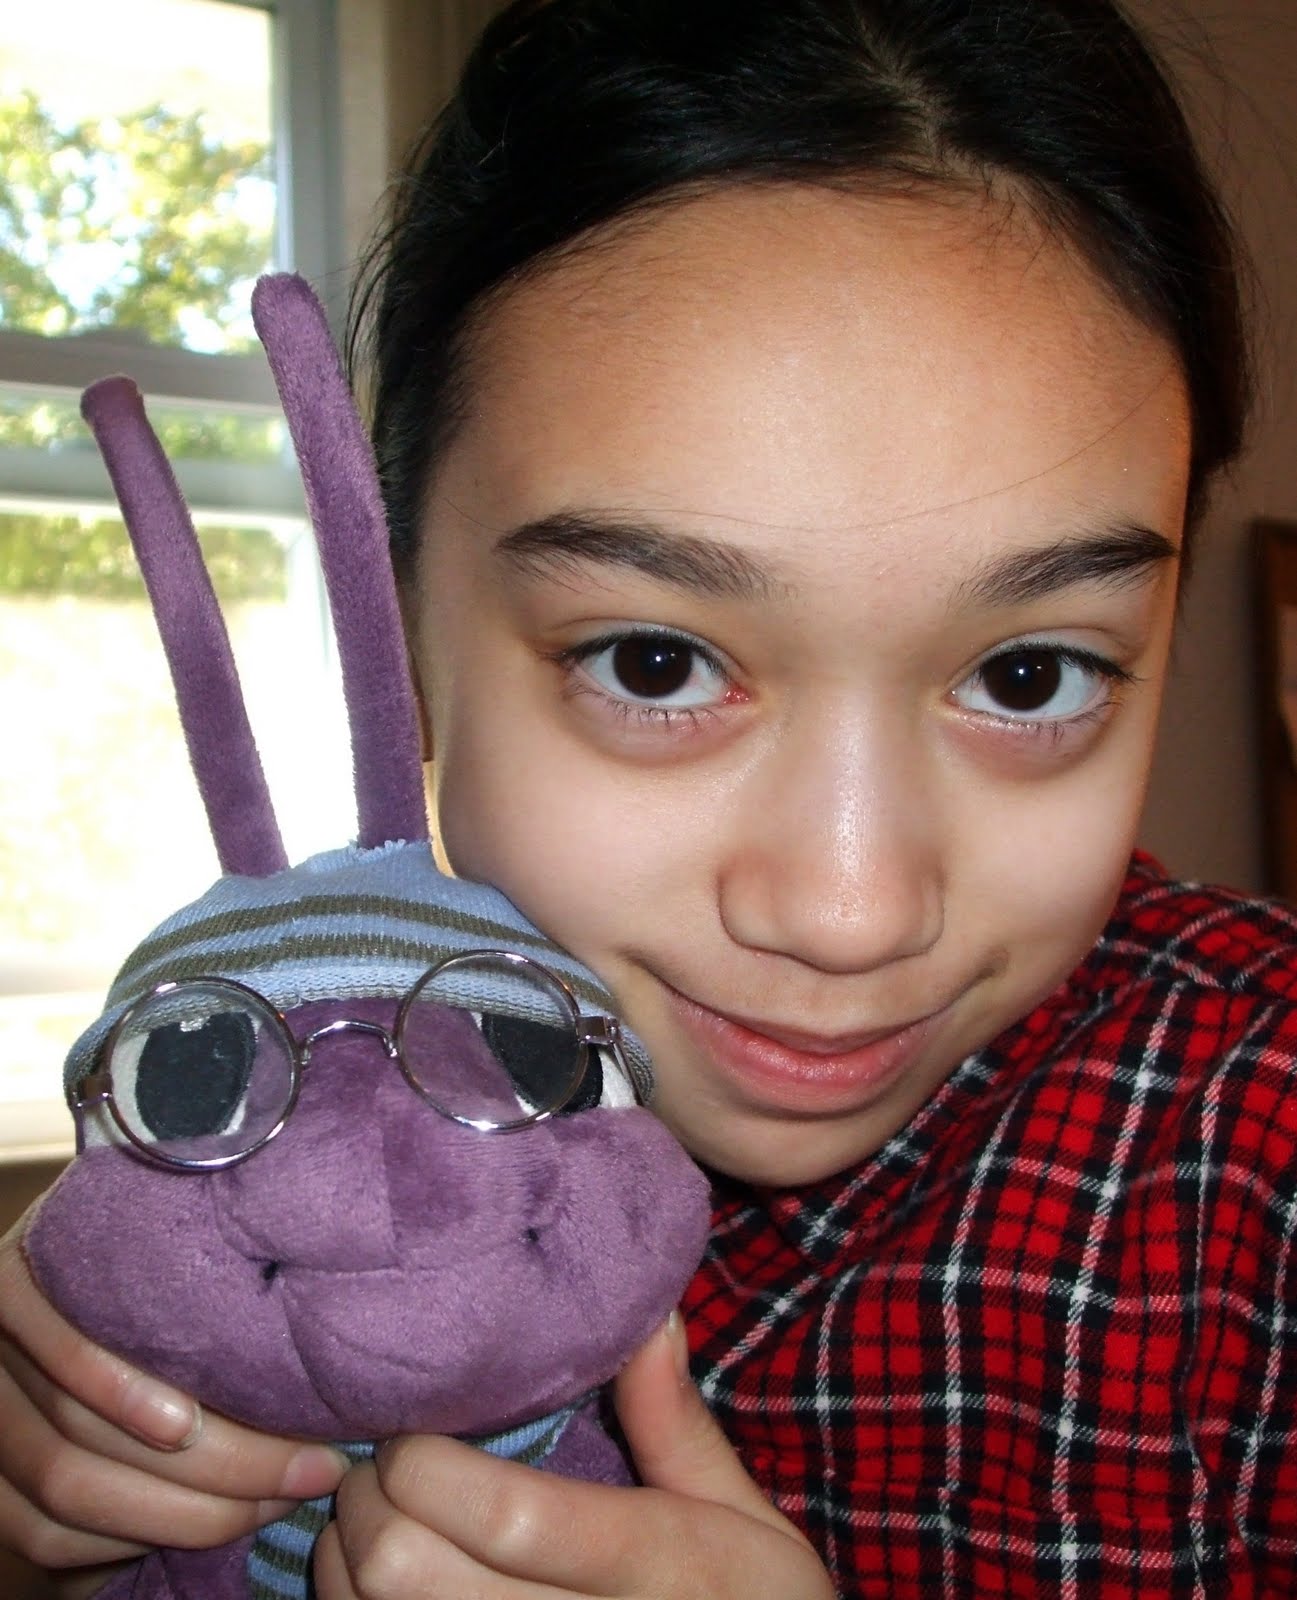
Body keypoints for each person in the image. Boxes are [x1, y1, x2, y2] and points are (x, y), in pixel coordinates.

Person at [1, 0, 1292, 1594]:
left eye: (1028, 677)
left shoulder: (1260, 1166)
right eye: (657, 662)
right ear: (395, 628)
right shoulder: (257, 1139)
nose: (848, 911)